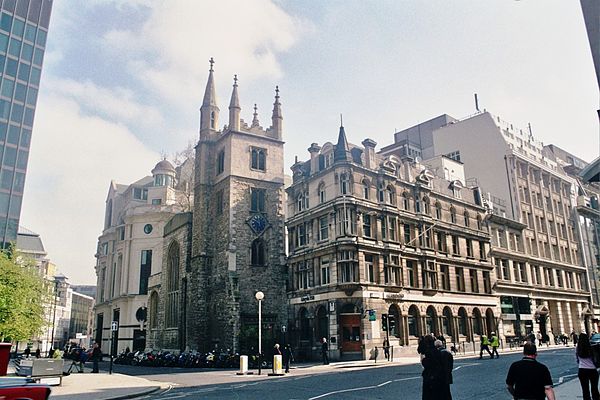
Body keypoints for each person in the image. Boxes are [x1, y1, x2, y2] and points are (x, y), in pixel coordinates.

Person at [576, 333, 600, 400]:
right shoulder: (591, 347)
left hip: (582, 370)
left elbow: (577, 360)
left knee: (585, 389)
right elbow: (595, 358)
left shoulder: (578, 348)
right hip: (592, 370)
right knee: (594, 388)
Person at [421, 335, 444, 400]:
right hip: (437, 377)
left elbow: (428, 364)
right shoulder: (437, 351)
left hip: (429, 376)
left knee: (428, 395)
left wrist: (423, 360)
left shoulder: (428, 351)